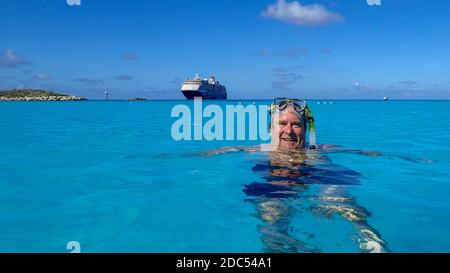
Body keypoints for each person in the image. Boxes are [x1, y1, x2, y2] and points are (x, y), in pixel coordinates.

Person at [193, 98, 390, 252]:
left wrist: (371, 152)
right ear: (271, 128)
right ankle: (277, 246)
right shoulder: (258, 150)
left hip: (316, 173)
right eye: (282, 123)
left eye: (296, 125)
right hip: (275, 179)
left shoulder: (318, 149)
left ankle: (371, 242)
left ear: (305, 130)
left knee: (336, 195)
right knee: (271, 211)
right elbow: (226, 150)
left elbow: (353, 150)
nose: (288, 130)